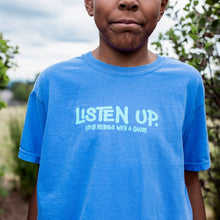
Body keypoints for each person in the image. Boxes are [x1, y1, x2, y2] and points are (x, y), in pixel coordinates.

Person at [18, 0, 211, 219]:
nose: (128, 2)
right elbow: (45, 181)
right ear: (90, 4)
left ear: (162, 6)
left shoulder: (186, 84)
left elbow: (190, 180)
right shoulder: (54, 83)